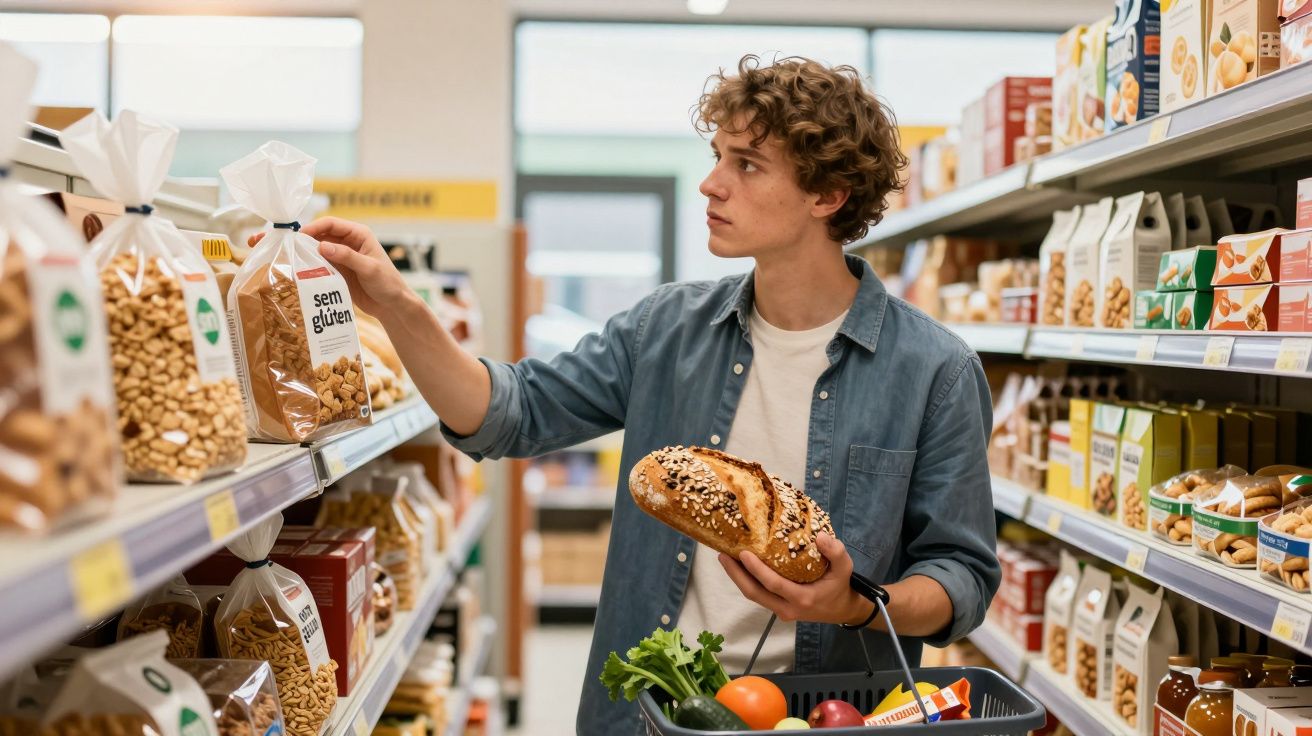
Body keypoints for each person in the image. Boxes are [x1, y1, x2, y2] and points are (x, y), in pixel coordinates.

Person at [274, 54, 999, 734]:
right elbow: (507, 413)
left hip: (818, 714)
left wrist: (854, 605)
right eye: (717, 156)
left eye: (746, 164)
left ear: (828, 195)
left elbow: (960, 577)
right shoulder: (666, 330)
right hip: (648, 712)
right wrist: (397, 304)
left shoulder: (934, 371)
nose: (711, 184)